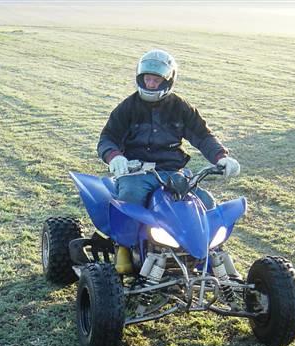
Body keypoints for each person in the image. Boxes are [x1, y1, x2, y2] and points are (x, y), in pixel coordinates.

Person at [97, 49, 240, 273]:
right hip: (137, 172)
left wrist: (221, 157)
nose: (150, 84)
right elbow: (107, 138)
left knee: (207, 204)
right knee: (129, 199)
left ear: (168, 81)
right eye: (147, 79)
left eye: (156, 80)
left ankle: (203, 255)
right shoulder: (128, 107)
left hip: (172, 171)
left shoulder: (181, 108)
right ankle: (124, 247)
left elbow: (202, 135)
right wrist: (115, 157)